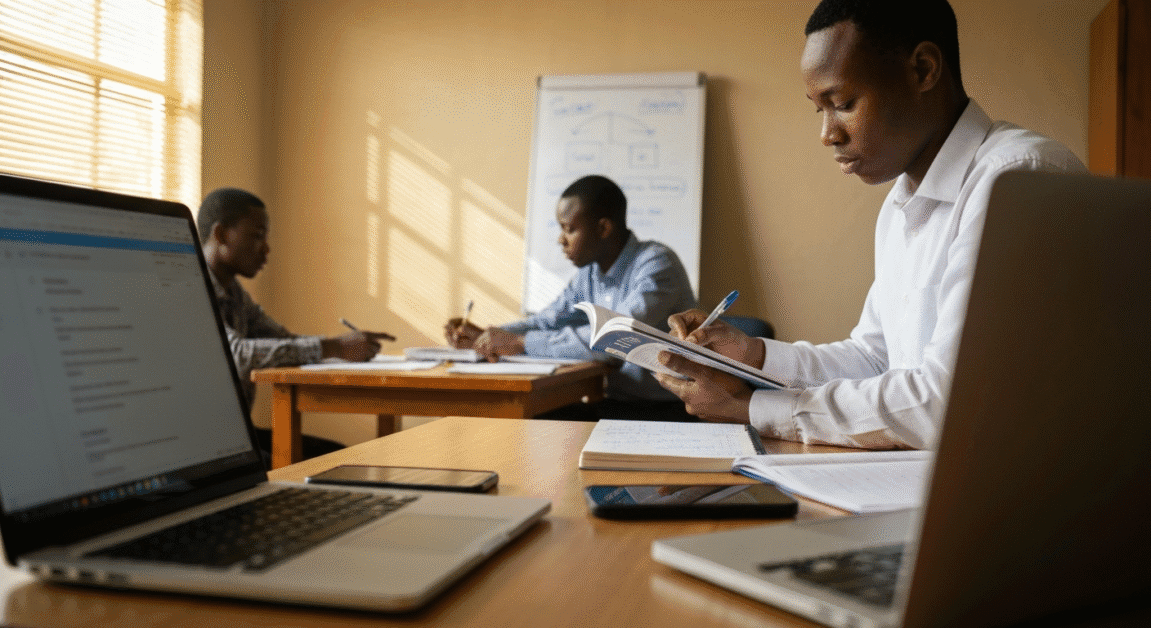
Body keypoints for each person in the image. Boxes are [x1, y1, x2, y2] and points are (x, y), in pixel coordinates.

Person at [654, 0, 1085, 450]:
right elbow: (875, 359)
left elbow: (949, 403)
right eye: (818, 109)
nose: (828, 134)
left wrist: (749, 409)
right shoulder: (901, 207)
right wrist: (750, 355)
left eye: (842, 103)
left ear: (923, 69)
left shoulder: (1018, 178)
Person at [444, 174, 699, 421]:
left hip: (669, 410)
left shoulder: (657, 265)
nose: (561, 240)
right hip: (616, 405)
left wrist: (520, 342)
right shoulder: (589, 273)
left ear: (603, 228)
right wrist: (489, 336)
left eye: (569, 229)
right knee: (530, 420)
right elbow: (548, 320)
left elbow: (614, 337)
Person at [197, 187, 395, 460]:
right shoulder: (189, 285)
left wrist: (343, 347)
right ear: (221, 234)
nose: (266, 249)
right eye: (257, 236)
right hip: (203, 445)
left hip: (239, 435)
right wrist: (334, 347)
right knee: (311, 469)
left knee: (340, 459)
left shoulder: (234, 292)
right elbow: (236, 355)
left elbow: (283, 340)